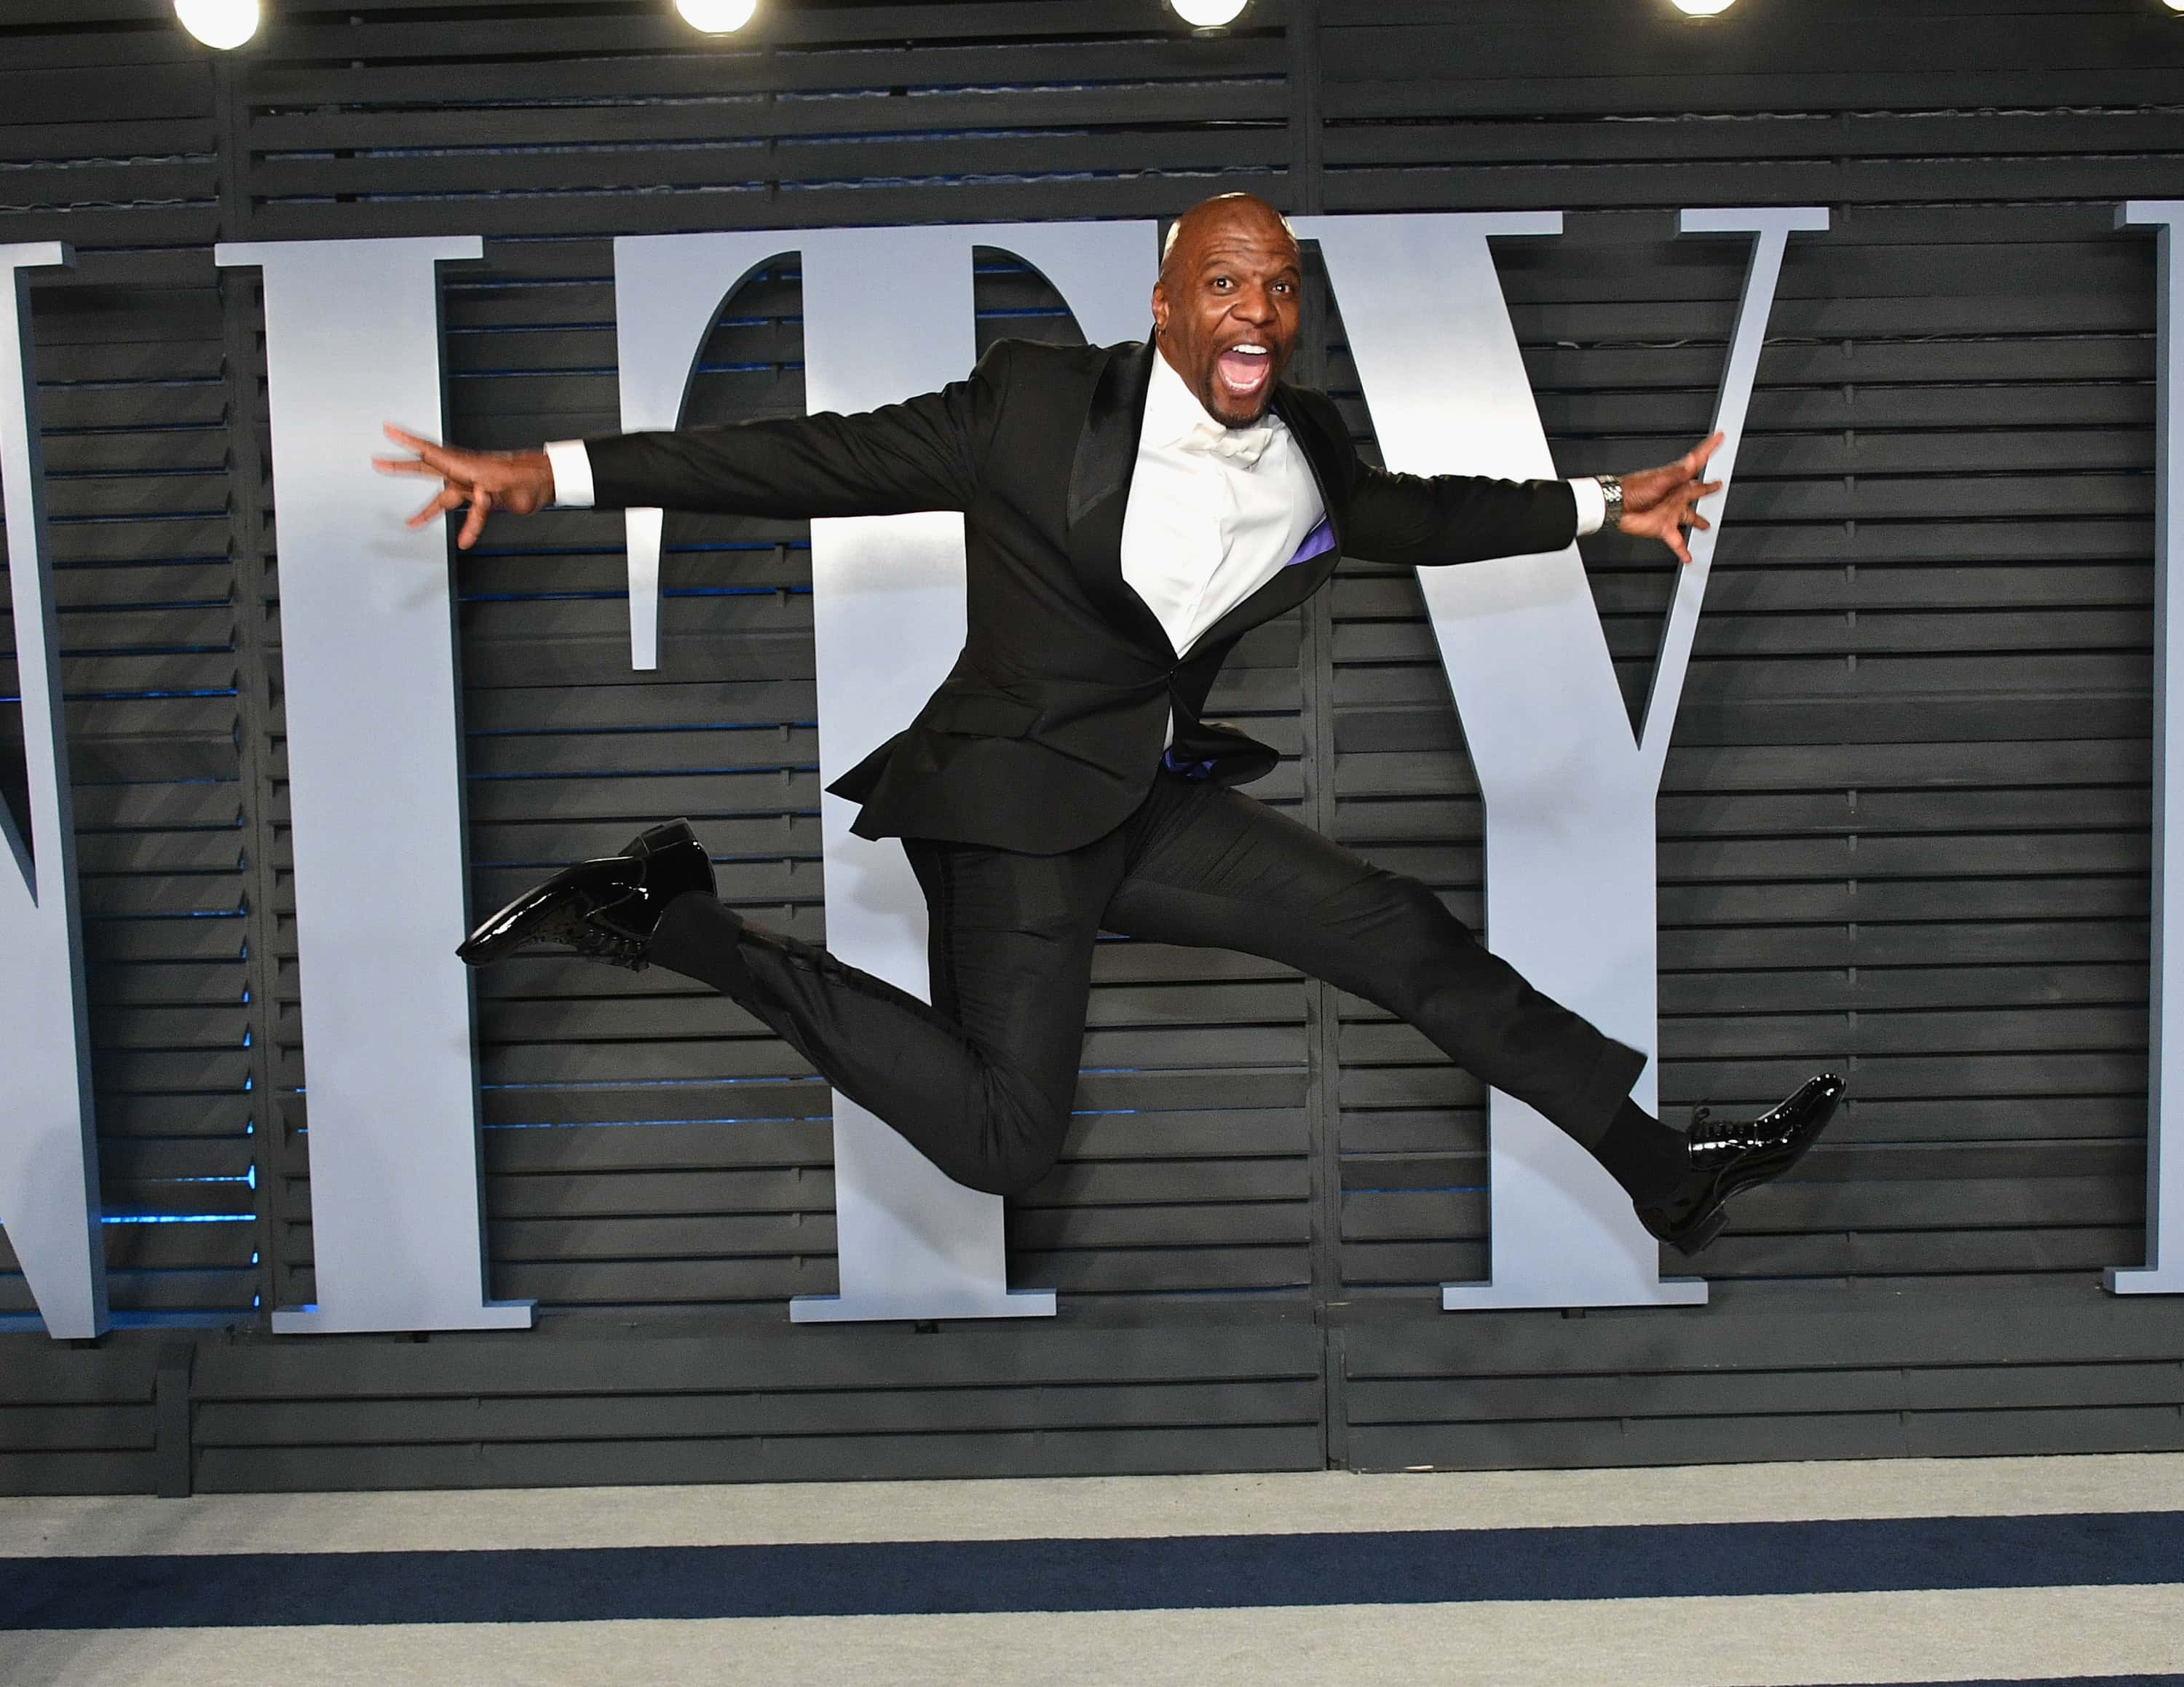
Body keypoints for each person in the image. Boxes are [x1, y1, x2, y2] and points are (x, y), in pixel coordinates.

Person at [376, 192, 1841, 1256]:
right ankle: (679, 918)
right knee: (1008, 1147)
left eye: (1275, 285)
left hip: (1138, 798)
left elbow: (1410, 513)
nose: (1255, 310)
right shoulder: (1033, 409)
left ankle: (1664, 1167)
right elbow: (801, 460)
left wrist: (1595, 507)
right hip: (1008, 802)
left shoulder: (1312, 442)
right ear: (1162, 303)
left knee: (1396, 928)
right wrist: (556, 473)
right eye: (1223, 283)